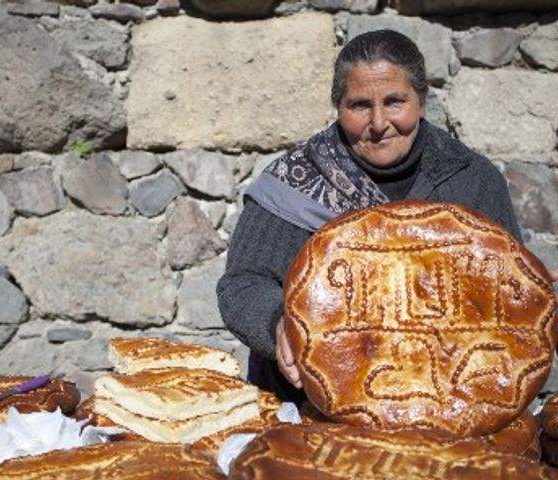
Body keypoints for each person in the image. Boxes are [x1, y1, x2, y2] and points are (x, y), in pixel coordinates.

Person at [216, 29, 558, 403]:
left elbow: (504, 299)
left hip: (450, 402)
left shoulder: (471, 181)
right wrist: (276, 323)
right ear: (338, 107)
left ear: (421, 103)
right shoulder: (292, 184)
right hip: (311, 405)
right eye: (360, 105)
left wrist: (526, 291)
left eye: (395, 101)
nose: (379, 123)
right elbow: (243, 282)